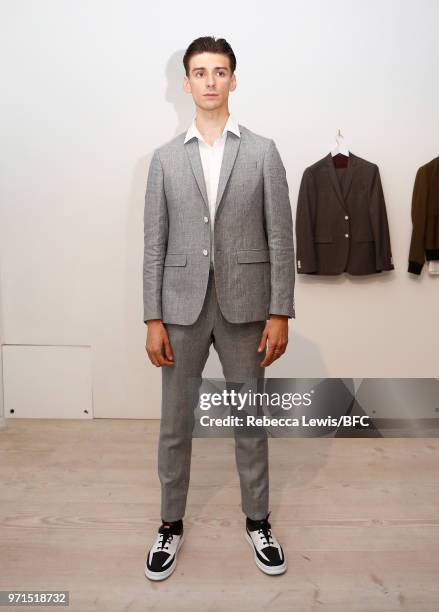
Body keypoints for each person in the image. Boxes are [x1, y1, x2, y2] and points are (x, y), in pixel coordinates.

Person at [143, 36, 295, 581]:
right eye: (200, 72)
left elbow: (281, 237)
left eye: (221, 71)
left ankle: (258, 520)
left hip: (248, 306)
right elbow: (154, 245)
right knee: (175, 425)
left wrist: (280, 311)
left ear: (234, 79)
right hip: (179, 311)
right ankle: (169, 525)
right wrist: (152, 317)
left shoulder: (263, 151)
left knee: (250, 421)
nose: (210, 81)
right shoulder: (163, 159)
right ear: (185, 83)